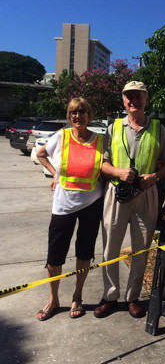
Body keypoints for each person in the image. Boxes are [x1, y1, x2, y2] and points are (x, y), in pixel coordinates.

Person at [94, 81, 165, 319]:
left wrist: (155, 176)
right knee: (110, 249)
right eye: (129, 97)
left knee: (141, 250)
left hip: (146, 195)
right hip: (116, 193)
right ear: (123, 101)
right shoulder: (113, 127)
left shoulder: (159, 129)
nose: (133, 101)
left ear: (146, 99)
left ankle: (133, 297)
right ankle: (110, 296)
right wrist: (117, 172)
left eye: (138, 96)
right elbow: (102, 162)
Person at [36, 97, 105, 321]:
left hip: (91, 204)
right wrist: (54, 174)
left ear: (89, 115)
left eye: (82, 111)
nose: (78, 116)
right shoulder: (61, 136)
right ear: (69, 116)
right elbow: (41, 154)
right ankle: (53, 299)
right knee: (55, 255)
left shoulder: (100, 140)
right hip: (63, 204)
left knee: (85, 252)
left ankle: (77, 296)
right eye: (73, 112)